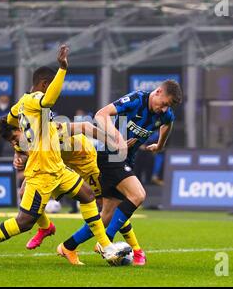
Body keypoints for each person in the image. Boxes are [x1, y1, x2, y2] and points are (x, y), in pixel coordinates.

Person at [0, 44, 129, 267]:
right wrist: (63, 69)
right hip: (42, 172)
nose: (54, 91)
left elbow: (8, 123)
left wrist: (18, 151)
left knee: (86, 195)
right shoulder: (34, 98)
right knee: (24, 222)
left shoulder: (18, 107)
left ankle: (106, 247)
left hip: (58, 167)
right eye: (52, 85)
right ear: (45, 84)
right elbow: (47, 101)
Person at [58, 79, 182, 264]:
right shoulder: (137, 99)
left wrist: (160, 145)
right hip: (110, 155)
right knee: (138, 195)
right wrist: (117, 138)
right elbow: (101, 114)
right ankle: (106, 242)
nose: (164, 109)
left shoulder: (164, 114)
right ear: (157, 92)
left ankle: (68, 246)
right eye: (164, 104)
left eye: (168, 106)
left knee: (107, 215)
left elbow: (168, 123)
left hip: (125, 159)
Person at [0, 117, 145, 265]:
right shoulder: (25, 139)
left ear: (20, 128)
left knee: (109, 207)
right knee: (24, 193)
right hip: (60, 168)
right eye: (10, 141)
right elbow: (20, 150)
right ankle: (46, 228)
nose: (13, 143)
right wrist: (18, 157)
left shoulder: (51, 129)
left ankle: (135, 249)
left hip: (89, 163)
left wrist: (113, 143)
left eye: (13, 138)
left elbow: (86, 126)